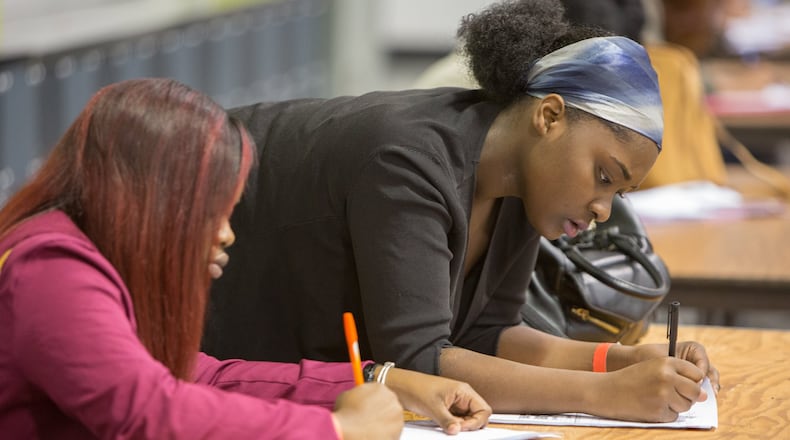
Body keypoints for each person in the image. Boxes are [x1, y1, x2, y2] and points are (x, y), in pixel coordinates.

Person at [203, 0, 721, 423]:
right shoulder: (408, 160)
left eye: (619, 194)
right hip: (204, 342)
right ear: (549, 116)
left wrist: (618, 362)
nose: (603, 210)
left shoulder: (519, 185)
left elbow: (487, 334)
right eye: (604, 177)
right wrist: (604, 395)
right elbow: (418, 362)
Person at [0, 78, 492, 439]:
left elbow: (200, 375)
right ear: (149, 201)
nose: (226, 234)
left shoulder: (88, 258)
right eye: (212, 211)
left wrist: (383, 379)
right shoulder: (53, 269)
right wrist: (335, 429)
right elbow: (148, 412)